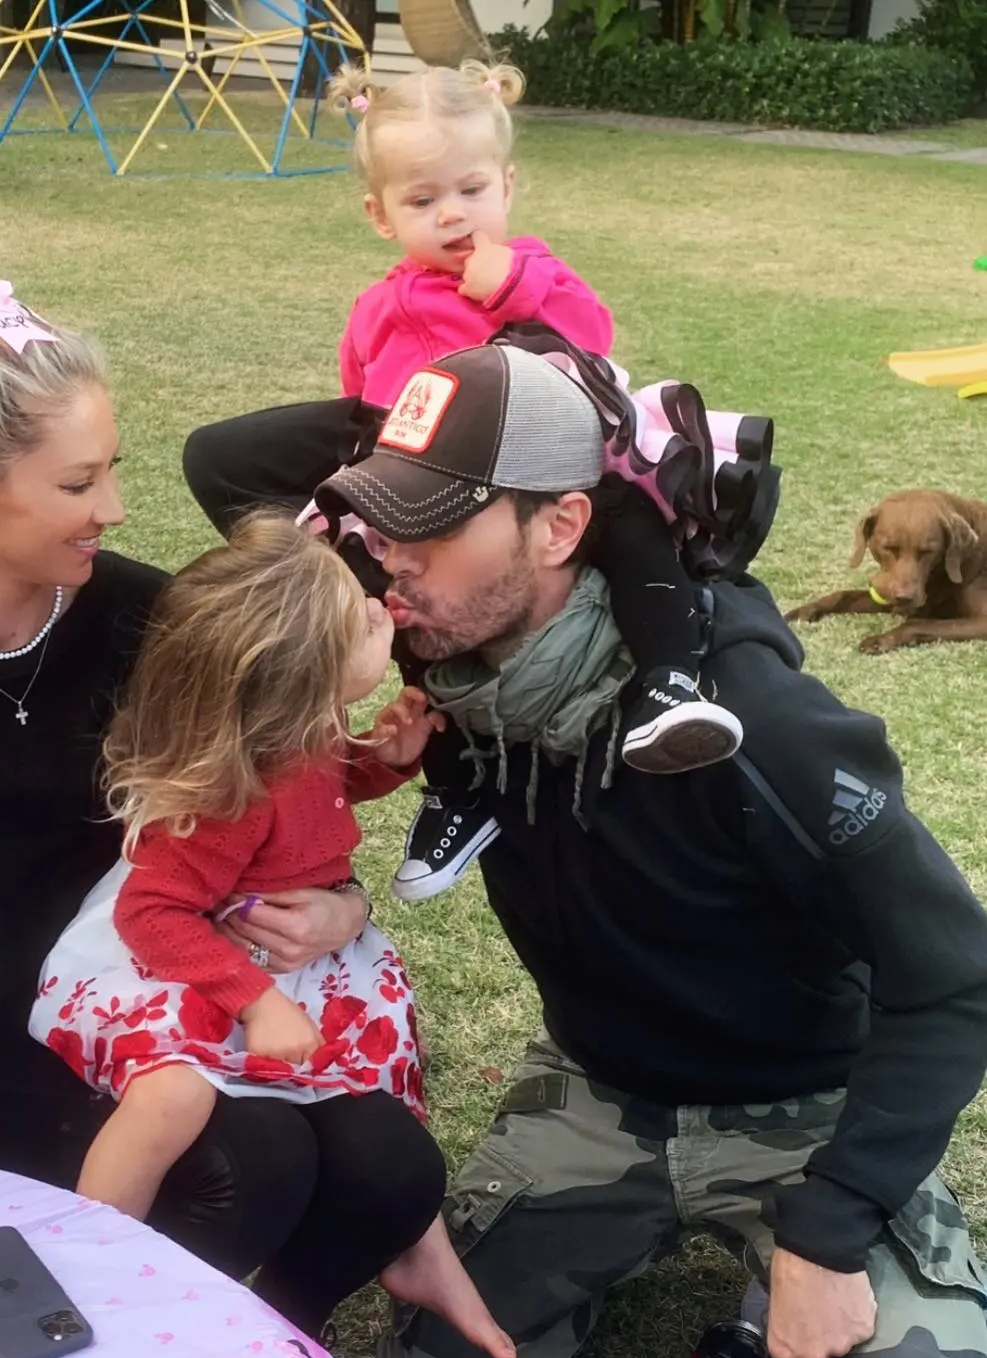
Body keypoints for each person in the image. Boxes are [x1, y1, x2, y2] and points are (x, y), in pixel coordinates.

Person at [0, 278, 447, 1312]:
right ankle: (103, 1319)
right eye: (79, 483)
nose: (114, 508)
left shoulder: (146, 614)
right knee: (249, 1161)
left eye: (109, 472)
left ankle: (257, 1331)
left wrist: (342, 908)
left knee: (391, 1160)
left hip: (144, 999)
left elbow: (276, 791)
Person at [310, 340, 987, 1358]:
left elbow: (951, 977)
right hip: (594, 1087)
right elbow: (234, 469)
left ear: (562, 525)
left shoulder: (749, 718)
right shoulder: (457, 688)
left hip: (806, 1105)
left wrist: (835, 1220)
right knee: (437, 1350)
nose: (391, 556)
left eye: (435, 522)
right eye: (383, 516)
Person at [183, 61, 767, 908]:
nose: (453, 214)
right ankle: (397, 695)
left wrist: (516, 290)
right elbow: (360, 385)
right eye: (422, 201)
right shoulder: (381, 302)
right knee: (247, 473)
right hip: (412, 456)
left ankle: (667, 685)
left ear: (507, 186)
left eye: (471, 189)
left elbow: (591, 339)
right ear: (379, 215)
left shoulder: (528, 269)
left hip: (536, 448)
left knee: (626, 516)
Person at [30, 515, 511, 1352]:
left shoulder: (297, 733)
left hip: (278, 956)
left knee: (377, 1087)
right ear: (306, 679)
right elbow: (151, 914)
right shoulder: (233, 795)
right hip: (182, 963)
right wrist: (253, 1003)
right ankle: (87, 1258)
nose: (381, 612)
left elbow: (318, 795)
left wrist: (383, 761)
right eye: (359, 621)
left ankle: (377, 1267)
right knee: (169, 1092)